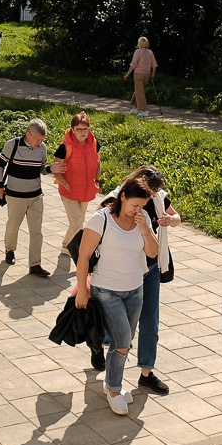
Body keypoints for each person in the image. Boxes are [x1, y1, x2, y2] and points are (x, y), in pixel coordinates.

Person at [74, 176, 159, 416]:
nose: (137, 210)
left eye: (141, 206)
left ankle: (113, 383)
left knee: (125, 340)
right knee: (122, 341)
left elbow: (152, 252)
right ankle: (113, 389)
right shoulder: (101, 219)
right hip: (106, 289)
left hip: (135, 289)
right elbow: (83, 256)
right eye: (134, 205)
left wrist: (144, 227)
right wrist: (82, 288)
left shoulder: (142, 221)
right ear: (122, 197)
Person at [97, 166, 180, 394]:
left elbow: (177, 217)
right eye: (150, 191)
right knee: (120, 326)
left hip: (150, 269)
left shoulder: (160, 198)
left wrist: (169, 219)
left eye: (155, 191)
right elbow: (100, 225)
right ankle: (100, 347)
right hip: (123, 271)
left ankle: (146, 372)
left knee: (150, 321)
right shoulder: (117, 198)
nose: (152, 195)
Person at [0, 119, 60, 278]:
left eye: (42, 140)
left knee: (37, 231)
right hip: (15, 196)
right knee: (13, 226)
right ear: (28, 134)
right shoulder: (13, 145)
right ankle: (10, 250)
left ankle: (35, 264)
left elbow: (42, 170)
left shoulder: (42, 148)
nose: (40, 142)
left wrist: (51, 169)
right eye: (38, 139)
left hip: (36, 196)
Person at [54, 112, 101, 254]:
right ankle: (77, 252)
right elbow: (56, 169)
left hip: (86, 190)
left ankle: (66, 245)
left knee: (77, 222)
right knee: (77, 223)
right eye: (79, 129)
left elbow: (98, 163)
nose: (83, 133)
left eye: (85, 129)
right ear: (73, 129)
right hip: (69, 192)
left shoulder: (93, 143)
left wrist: (97, 181)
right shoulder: (64, 147)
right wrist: (67, 186)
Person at [124, 37, 157, 117]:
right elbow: (154, 65)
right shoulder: (150, 52)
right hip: (147, 74)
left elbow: (133, 64)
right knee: (139, 91)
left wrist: (127, 74)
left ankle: (143, 110)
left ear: (139, 43)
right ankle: (136, 107)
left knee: (140, 92)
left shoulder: (137, 51)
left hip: (138, 74)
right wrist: (153, 74)